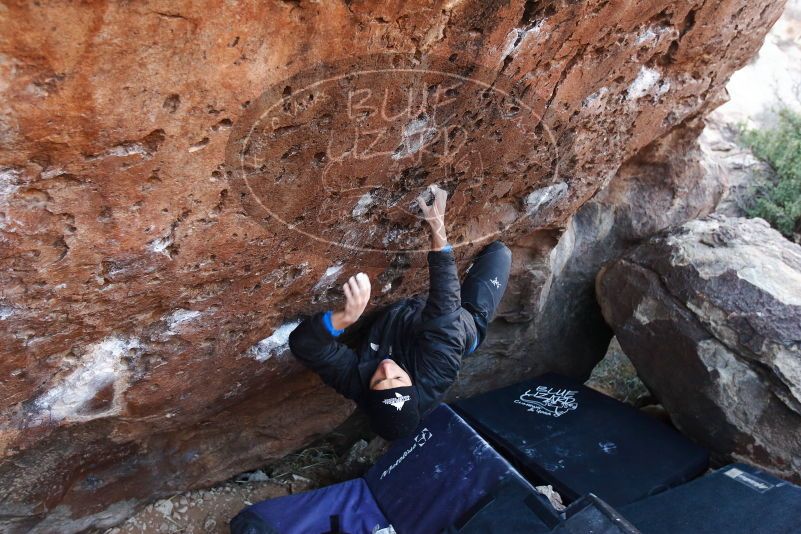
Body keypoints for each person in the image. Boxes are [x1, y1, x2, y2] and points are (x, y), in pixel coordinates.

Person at [288, 184, 512, 440]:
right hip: (462, 324)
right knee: (499, 252)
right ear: (413, 385)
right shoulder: (438, 368)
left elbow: (305, 346)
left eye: (379, 382)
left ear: (367, 392)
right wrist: (437, 225)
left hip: (406, 323)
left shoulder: (356, 383)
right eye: (397, 378)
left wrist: (344, 318)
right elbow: (445, 301)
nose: (385, 370)